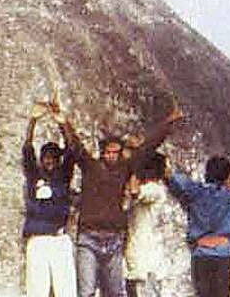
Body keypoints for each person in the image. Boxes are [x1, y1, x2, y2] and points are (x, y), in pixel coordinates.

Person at [57, 103, 184, 297]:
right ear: (102, 152)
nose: (112, 156)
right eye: (108, 152)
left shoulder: (125, 168)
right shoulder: (91, 167)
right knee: (86, 291)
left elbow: (148, 147)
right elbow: (75, 146)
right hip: (89, 239)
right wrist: (62, 121)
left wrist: (168, 122)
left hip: (114, 240)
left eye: (116, 152)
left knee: (116, 292)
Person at [168, 156, 230, 297]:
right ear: (227, 176)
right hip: (223, 253)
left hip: (201, 252)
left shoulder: (196, 192)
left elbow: (175, 179)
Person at [21, 102, 77, 297]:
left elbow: (72, 150)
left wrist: (62, 123)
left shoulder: (63, 177)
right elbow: (27, 149)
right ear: (42, 159)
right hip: (37, 239)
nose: (50, 161)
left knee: (66, 291)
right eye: (47, 157)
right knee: (37, 291)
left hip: (59, 238)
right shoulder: (34, 176)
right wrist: (33, 121)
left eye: (54, 158)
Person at [125, 152, 171, 297]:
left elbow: (135, 192)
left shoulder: (154, 189)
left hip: (145, 260)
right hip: (138, 257)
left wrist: (133, 168)